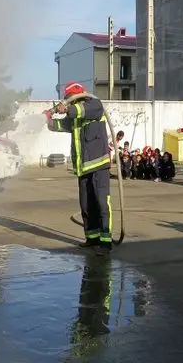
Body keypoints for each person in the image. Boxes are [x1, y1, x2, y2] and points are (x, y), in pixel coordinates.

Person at [43, 81, 113, 255]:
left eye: (69, 99)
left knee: (102, 204)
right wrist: (49, 120)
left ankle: (105, 242)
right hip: (83, 168)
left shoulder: (94, 105)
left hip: (99, 165)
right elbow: (62, 125)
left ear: (78, 96)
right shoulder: (74, 115)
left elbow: (83, 110)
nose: (68, 102)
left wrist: (67, 108)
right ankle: (92, 237)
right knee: (86, 205)